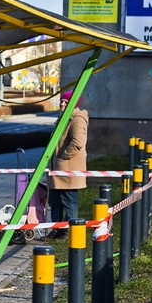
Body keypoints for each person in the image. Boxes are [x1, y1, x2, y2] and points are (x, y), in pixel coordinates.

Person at [48, 89, 88, 239]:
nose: (62, 104)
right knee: (55, 201)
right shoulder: (64, 117)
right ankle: (57, 228)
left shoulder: (77, 118)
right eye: (61, 102)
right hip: (58, 170)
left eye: (66, 102)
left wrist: (63, 156)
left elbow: (78, 142)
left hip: (68, 169)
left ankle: (69, 231)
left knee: (68, 201)